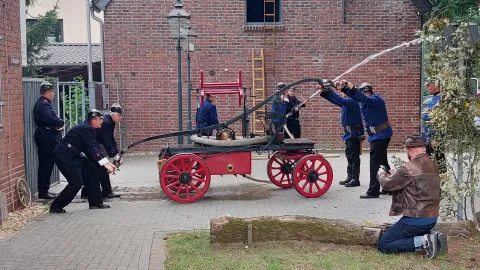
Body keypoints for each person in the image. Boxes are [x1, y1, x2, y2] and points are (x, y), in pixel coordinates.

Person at [377, 134, 447, 259]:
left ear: (409, 149)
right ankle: (430, 236)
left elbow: (387, 185)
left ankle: (425, 241)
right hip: (432, 218)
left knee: (384, 243)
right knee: (393, 234)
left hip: (415, 219)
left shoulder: (408, 168)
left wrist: (381, 174)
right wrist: (395, 175)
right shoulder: (433, 165)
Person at [49, 109, 117, 213]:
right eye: (100, 119)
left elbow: (96, 147)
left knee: (92, 172)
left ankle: (96, 202)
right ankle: (56, 206)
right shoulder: (86, 128)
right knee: (76, 183)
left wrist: (107, 163)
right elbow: (91, 149)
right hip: (65, 155)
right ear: (94, 120)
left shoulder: (91, 128)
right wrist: (105, 164)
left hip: (75, 155)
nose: (102, 121)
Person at [336, 80, 393, 198]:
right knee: (382, 161)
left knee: (374, 164)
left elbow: (363, 98)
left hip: (381, 135)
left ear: (367, 92)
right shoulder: (366, 101)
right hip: (377, 136)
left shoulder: (376, 100)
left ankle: (373, 191)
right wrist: (342, 88)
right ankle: (389, 187)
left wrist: (351, 87)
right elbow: (357, 97)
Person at [317, 83, 364, 187]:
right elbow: (335, 100)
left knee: (354, 155)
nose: (342, 94)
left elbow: (340, 100)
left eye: (343, 92)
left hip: (355, 132)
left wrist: (329, 90)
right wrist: (324, 92)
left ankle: (355, 179)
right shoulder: (346, 102)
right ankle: (350, 176)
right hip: (349, 133)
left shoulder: (352, 101)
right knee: (349, 154)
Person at [81, 104, 124, 199]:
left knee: (98, 169)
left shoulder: (110, 122)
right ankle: (104, 192)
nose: (121, 117)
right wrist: (114, 156)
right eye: (119, 115)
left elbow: (111, 139)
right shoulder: (107, 123)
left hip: (95, 146)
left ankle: (92, 191)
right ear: (113, 115)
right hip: (92, 147)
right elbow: (106, 141)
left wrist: (117, 154)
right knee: (101, 168)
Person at [33, 81, 64, 200]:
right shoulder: (44, 105)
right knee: (46, 164)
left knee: (48, 164)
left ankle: (44, 190)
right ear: (48, 92)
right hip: (47, 137)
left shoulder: (44, 103)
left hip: (47, 136)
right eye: (52, 91)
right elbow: (52, 119)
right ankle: (43, 191)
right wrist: (59, 122)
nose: (54, 94)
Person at [421, 77, 446, 173]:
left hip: (435, 140)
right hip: (427, 139)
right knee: (429, 166)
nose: (426, 87)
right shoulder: (430, 99)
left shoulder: (441, 99)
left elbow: (441, 121)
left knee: (437, 165)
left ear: (436, 84)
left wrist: (437, 138)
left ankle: (441, 186)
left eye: (428, 84)